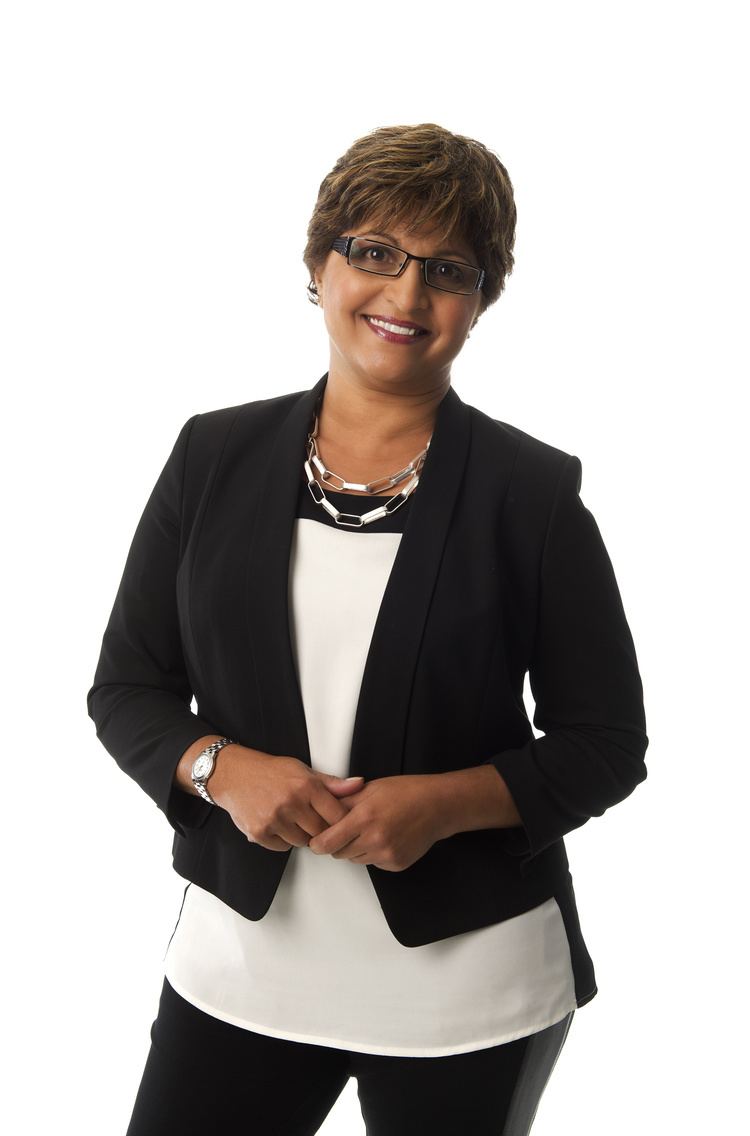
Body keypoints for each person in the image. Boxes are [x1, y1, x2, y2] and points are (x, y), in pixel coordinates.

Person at [87, 122, 648, 1135]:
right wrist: (219, 765)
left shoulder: (533, 495)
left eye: (447, 269)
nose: (404, 293)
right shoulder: (212, 456)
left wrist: (443, 804)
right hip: (239, 971)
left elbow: (605, 743)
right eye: (374, 251)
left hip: (468, 988)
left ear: (479, 303)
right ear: (319, 263)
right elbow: (127, 687)